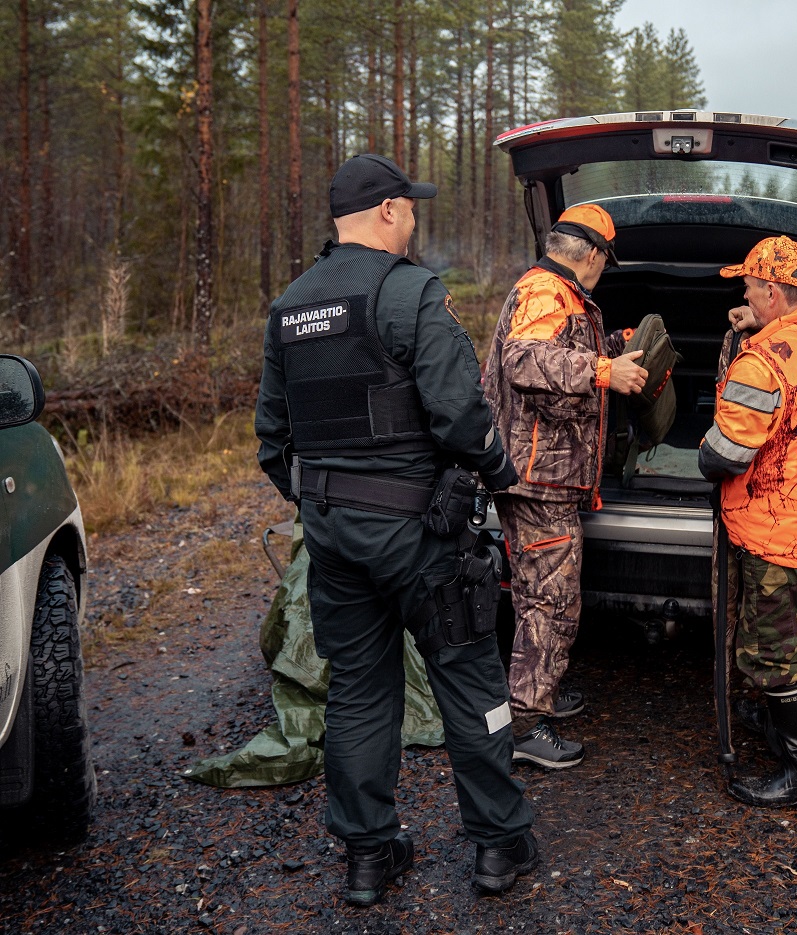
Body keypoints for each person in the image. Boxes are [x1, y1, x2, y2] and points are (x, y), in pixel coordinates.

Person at [254, 153, 536, 905]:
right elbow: (462, 415)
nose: (415, 217)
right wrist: (492, 475)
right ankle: (498, 845)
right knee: (471, 678)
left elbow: (271, 440)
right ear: (385, 212)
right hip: (421, 535)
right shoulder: (410, 292)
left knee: (356, 691)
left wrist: (327, 503)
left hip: (333, 540)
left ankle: (368, 857)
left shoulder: (290, 306)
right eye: (409, 207)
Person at [483, 204, 648, 770]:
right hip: (536, 481)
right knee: (550, 603)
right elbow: (524, 361)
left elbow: (556, 356)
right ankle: (526, 724)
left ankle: (538, 695)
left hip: (544, 478)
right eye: (607, 260)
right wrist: (605, 372)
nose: (604, 270)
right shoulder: (546, 292)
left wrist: (610, 350)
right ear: (594, 255)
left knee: (540, 597)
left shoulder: (559, 293)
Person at [698, 235, 797, 809]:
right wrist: (759, 324)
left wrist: (752, 347)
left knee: (775, 652)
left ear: (771, 291)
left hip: (774, 532)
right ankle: (780, 718)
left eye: (749, 285)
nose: (742, 291)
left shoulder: (761, 365)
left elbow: (722, 456)